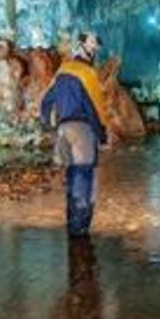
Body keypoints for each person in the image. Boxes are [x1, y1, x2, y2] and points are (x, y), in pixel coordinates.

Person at [39, 32, 111, 236]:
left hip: (63, 130)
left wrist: (47, 125)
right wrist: (103, 135)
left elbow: (46, 101)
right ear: (89, 51)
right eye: (94, 50)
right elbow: (96, 109)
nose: (95, 53)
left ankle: (71, 223)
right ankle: (79, 229)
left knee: (71, 175)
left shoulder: (62, 70)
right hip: (82, 130)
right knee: (83, 176)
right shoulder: (88, 74)